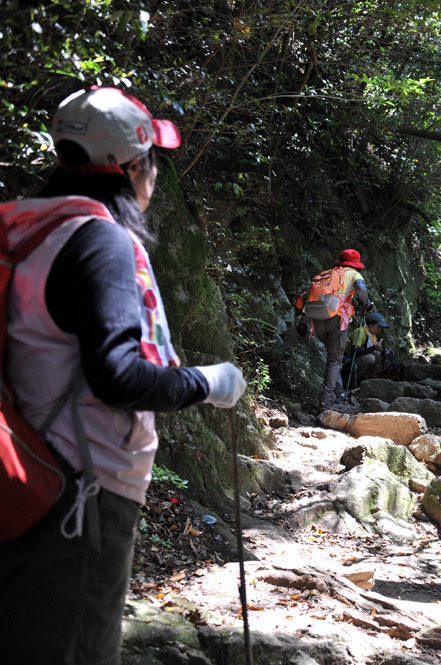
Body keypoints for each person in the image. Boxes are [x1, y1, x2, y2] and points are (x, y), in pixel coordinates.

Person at [0, 86, 246, 664]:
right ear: (135, 166)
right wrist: (209, 383)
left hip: (14, 470)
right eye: (153, 160)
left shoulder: (20, 226)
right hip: (75, 491)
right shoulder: (99, 239)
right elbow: (117, 375)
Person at [304, 249, 371, 409]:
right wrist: (367, 303)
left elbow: (310, 296)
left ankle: (339, 393)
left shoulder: (327, 274)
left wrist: (302, 320)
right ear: (356, 265)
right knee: (335, 360)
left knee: (333, 359)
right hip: (337, 320)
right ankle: (326, 403)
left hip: (317, 320)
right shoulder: (354, 274)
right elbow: (361, 290)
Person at [343, 312, 390, 388]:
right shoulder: (360, 332)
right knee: (370, 358)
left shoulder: (372, 336)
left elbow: (369, 350)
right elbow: (356, 352)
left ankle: (366, 380)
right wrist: (373, 348)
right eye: (378, 327)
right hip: (347, 360)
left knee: (378, 355)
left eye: (380, 328)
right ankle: (351, 381)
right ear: (370, 324)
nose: (379, 330)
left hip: (356, 359)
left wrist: (384, 352)